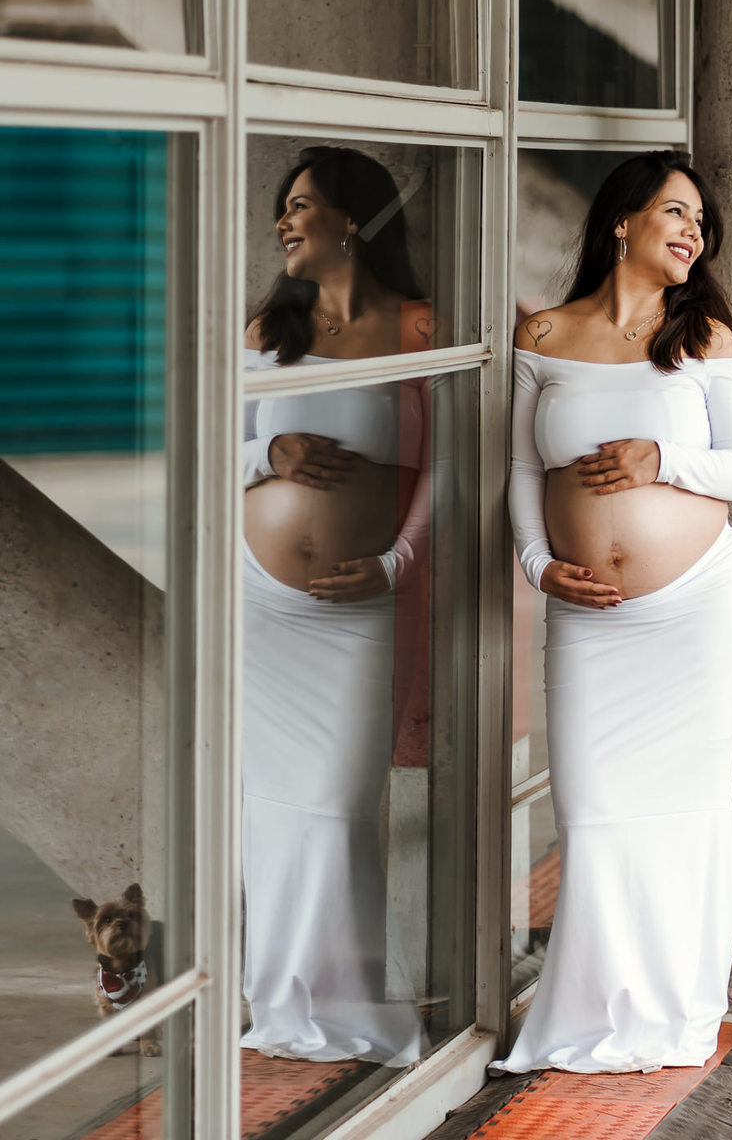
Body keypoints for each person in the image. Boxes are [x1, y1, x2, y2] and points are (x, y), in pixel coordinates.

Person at [494, 150, 732, 1075]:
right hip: (587, 616)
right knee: (594, 808)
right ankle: (590, 1018)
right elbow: (524, 471)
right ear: (623, 221)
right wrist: (538, 565)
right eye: (678, 213)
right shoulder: (544, 333)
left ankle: (679, 1015)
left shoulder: (708, 340)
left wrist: (663, 460)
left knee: (690, 808)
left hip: (699, 612)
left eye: (702, 223)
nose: (694, 233)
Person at [241, 145, 432, 1064]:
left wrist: (396, 563)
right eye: (282, 207)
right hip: (262, 610)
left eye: (301, 203)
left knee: (335, 802)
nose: (284, 219)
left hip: (359, 604)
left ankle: (348, 1005)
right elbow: (212, 448)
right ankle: (278, 1002)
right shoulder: (264, 335)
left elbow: (451, 470)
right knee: (272, 806)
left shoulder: (418, 329)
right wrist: (267, 459)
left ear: (353, 219)